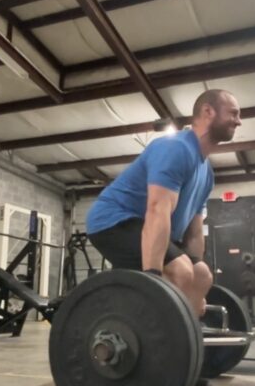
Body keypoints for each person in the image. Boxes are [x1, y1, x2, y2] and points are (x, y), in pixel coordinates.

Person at [86, 88, 242, 316]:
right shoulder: (176, 148)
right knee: (180, 271)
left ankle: (189, 335)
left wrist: (196, 292)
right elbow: (157, 210)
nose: (239, 121)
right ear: (208, 112)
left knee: (201, 275)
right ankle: (161, 338)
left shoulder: (206, 172)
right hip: (113, 222)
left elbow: (195, 232)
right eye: (234, 114)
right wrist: (153, 279)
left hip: (146, 226)